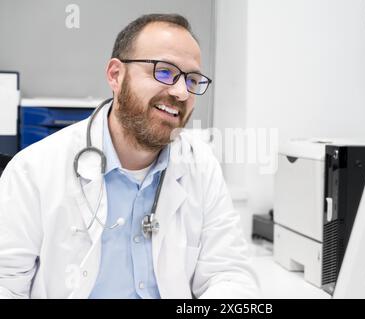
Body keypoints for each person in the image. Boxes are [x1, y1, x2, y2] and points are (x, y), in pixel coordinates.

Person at [0, 13, 259, 299]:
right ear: (115, 75)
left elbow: (228, 274)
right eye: (164, 71)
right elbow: (6, 284)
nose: (182, 92)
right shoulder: (33, 170)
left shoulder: (201, 165)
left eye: (193, 80)